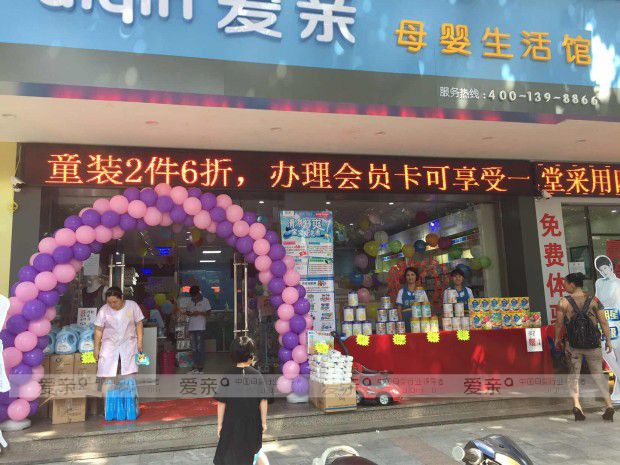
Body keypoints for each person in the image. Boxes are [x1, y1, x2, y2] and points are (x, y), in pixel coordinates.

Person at [554, 272, 615, 422]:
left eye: (565, 283)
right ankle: (609, 405)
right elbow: (603, 322)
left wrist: (557, 339)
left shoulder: (563, 302)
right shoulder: (594, 300)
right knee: (598, 374)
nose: (563, 285)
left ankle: (577, 406)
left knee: (573, 376)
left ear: (572, 284)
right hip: (593, 345)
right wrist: (608, 341)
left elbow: (559, 323)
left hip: (573, 346)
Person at [214, 336, 268, 465]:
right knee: (253, 451)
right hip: (252, 422)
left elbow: (221, 403)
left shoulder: (227, 376)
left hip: (231, 422)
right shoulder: (257, 375)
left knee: (230, 452)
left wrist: (220, 424)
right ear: (251, 355)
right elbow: (263, 401)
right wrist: (263, 422)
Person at [94, 287, 144, 378]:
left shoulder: (132, 306)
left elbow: (139, 323)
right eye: (109, 302)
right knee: (107, 372)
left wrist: (140, 342)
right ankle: (108, 387)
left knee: (129, 371)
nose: (112, 305)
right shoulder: (104, 310)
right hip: (109, 344)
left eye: (115, 302)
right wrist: (96, 348)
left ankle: (129, 387)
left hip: (128, 343)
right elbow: (98, 329)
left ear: (121, 298)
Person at [594, 255, 620, 403]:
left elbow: (612, 301)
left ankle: (617, 393)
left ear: (610, 266)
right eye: (600, 270)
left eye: (605, 268)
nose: (604, 271)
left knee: (619, 356)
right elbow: (597, 300)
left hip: (617, 321)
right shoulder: (599, 282)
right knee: (605, 351)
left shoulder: (618, 283)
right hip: (605, 321)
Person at [182, 285, 212, 374]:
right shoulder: (190, 301)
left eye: (194, 295)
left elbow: (209, 312)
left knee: (200, 347)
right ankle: (195, 365)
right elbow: (187, 312)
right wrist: (191, 314)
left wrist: (200, 313)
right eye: (192, 295)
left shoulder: (205, 300)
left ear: (198, 293)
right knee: (194, 348)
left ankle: (200, 365)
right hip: (191, 327)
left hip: (200, 327)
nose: (193, 297)